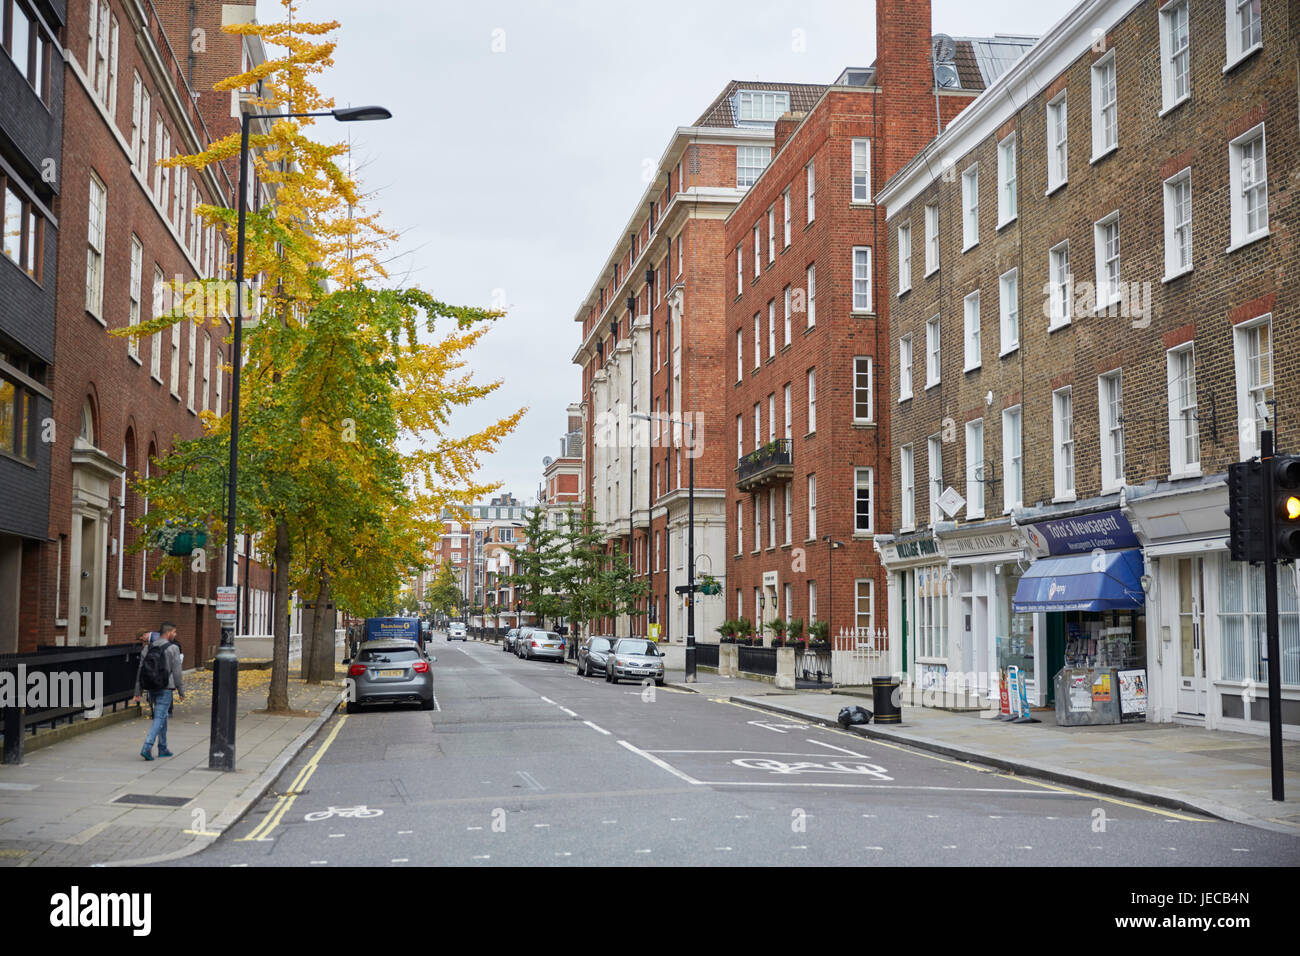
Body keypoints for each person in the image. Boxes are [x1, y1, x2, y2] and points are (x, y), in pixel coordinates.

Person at [133, 622, 184, 760]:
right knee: (159, 717)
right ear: (167, 633)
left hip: (151, 687)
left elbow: (140, 670)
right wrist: (181, 691)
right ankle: (147, 747)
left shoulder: (147, 648)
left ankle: (163, 747)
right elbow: (177, 672)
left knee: (163, 716)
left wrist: (138, 691)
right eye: (174, 632)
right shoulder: (173, 648)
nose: (175, 634)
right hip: (166, 687)